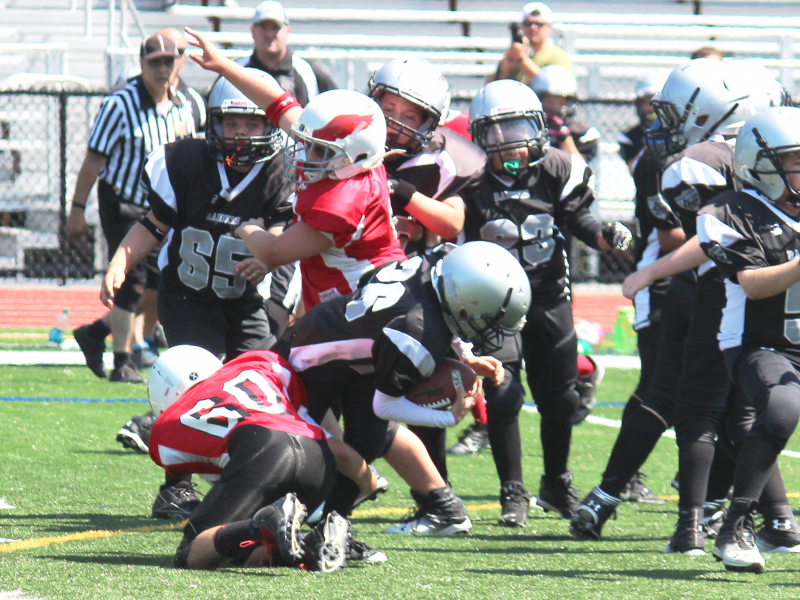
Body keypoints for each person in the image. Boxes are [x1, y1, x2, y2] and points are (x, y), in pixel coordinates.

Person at [570, 59, 791, 552]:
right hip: (757, 300)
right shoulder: (766, 152)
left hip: (718, 296)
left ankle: (695, 524)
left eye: (676, 115)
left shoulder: (696, 161)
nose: (664, 126)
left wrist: (650, 271)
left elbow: (711, 239)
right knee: (741, 412)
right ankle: (772, 521)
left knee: (694, 407)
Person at [106, 71, 296, 519]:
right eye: (232, 124)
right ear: (214, 124)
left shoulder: (279, 170)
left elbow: (283, 229)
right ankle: (175, 487)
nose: (242, 135)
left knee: (263, 389)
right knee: (194, 383)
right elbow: (153, 224)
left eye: (252, 124)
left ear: (269, 126)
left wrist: (268, 256)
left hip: (246, 300)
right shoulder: (187, 162)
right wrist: (119, 262)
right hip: (188, 295)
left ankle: (254, 485)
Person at [273, 242, 531, 534]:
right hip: (306, 358)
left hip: (356, 355)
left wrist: (467, 356)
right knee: (289, 449)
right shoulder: (418, 335)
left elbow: (373, 281)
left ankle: (332, 529)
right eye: (487, 318)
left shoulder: (435, 267)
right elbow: (385, 406)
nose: (489, 329)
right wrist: (449, 417)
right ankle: (260, 523)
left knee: (368, 439)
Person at [463, 79, 632, 524]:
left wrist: (603, 235)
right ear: (480, 136)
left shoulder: (557, 167)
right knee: (502, 395)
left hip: (549, 297)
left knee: (560, 400)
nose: (509, 140)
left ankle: (555, 483)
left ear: (537, 125)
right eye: (497, 132)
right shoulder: (469, 179)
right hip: (493, 306)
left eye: (517, 126)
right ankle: (512, 492)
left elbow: (578, 216)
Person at [146, 345, 381, 571]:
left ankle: (265, 523)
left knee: (190, 554)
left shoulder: (170, 423)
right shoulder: (259, 365)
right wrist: (368, 481)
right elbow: (340, 453)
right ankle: (313, 543)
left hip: (263, 452)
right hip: (318, 458)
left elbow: (234, 478)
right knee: (245, 553)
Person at [366, 57, 488, 483]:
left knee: (419, 391)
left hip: (404, 290)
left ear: (429, 122)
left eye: (410, 115)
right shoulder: (348, 142)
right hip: (341, 281)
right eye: (388, 108)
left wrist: (400, 193)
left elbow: (451, 222)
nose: (395, 121)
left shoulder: (442, 162)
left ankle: (436, 495)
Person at [697, 107, 800, 572]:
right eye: (796, 160)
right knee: (781, 408)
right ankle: (735, 526)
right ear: (762, 165)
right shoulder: (730, 211)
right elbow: (754, 283)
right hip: (760, 344)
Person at [67, 33, 195, 383]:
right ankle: (121, 359)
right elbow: (94, 159)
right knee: (132, 281)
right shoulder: (119, 104)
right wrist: (77, 207)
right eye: (155, 62)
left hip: (162, 209)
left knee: (159, 284)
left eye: (168, 61)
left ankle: (94, 334)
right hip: (122, 201)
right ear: (141, 63)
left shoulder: (183, 104)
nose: (162, 69)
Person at [236, 0, 337, 107]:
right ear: (252, 31)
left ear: (287, 30)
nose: (269, 34)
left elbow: (336, 109)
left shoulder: (307, 72)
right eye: (263, 28)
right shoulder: (237, 71)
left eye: (275, 28)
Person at [491, 2, 572, 86]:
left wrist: (521, 59)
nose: (533, 28)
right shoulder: (514, 54)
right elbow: (491, 86)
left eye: (539, 24)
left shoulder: (558, 56)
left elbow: (552, 86)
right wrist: (506, 65)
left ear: (549, 28)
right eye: (528, 24)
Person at [532, 65, 599, 161]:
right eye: (550, 103)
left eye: (561, 103)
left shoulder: (582, 133)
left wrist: (564, 137)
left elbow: (580, 168)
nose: (555, 108)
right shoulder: (529, 129)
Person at [617, 70, 670, 173]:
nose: (650, 108)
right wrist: (650, 145)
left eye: (655, 102)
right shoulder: (630, 136)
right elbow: (634, 170)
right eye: (646, 103)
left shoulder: (681, 131)